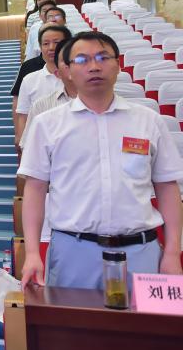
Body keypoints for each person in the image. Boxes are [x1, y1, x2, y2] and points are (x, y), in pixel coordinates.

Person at [19, 32, 183, 289]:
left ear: (118, 64)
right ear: (68, 70)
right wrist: (31, 253)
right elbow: (35, 190)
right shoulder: (47, 124)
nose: (94, 66)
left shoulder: (148, 121)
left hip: (141, 252)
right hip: (73, 252)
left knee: (144, 318)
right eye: (82, 60)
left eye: (103, 57)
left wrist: (172, 252)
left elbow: (167, 188)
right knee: (71, 317)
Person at [14, 25, 72, 147]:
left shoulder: (78, 77)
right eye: (46, 44)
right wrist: (22, 143)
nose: (51, 48)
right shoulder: (30, 80)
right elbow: (23, 115)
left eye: (56, 42)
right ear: (40, 47)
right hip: (39, 144)